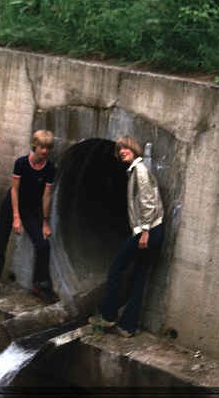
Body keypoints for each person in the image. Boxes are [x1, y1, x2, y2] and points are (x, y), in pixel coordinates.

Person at [89, 135, 165, 338]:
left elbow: (148, 203)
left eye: (125, 148)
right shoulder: (137, 169)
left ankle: (108, 316)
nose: (122, 151)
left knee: (116, 269)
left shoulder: (139, 170)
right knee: (139, 277)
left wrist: (144, 232)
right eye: (119, 149)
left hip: (147, 230)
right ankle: (128, 326)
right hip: (155, 229)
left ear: (133, 148)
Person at [0, 130, 58, 305]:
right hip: (11, 206)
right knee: (0, 243)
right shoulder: (22, 163)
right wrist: (16, 218)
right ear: (34, 146)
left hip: (30, 209)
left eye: (48, 148)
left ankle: (39, 285)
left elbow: (46, 196)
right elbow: (14, 191)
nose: (44, 151)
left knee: (43, 244)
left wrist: (45, 222)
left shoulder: (49, 168)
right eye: (41, 147)